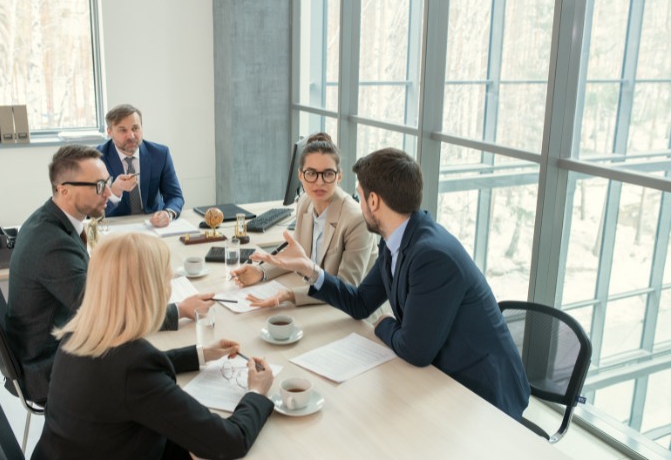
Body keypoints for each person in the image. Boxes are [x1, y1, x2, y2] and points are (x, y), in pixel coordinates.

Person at [251, 147, 531, 420]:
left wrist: (384, 324)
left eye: (359, 197)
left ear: (374, 202)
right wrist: (311, 270)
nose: (358, 205)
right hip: (440, 379)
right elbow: (361, 303)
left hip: (483, 395)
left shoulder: (432, 256)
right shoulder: (396, 237)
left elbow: (415, 350)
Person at [31, 233, 274, 460]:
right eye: (166, 280)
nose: (169, 289)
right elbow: (229, 442)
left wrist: (201, 354)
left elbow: (121, 371)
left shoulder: (77, 334)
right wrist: (256, 393)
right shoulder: (135, 369)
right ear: (148, 291)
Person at [6, 144, 212, 405]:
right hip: (48, 367)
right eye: (98, 186)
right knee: (147, 368)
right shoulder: (52, 243)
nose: (108, 192)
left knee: (145, 358)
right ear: (64, 190)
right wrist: (177, 311)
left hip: (53, 347)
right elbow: (102, 312)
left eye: (107, 182)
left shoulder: (51, 221)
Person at [231, 132, 377, 308]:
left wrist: (291, 295)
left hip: (350, 314)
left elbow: (346, 288)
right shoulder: (305, 202)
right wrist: (260, 271)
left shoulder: (356, 220)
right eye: (311, 173)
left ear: (339, 177)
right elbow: (297, 258)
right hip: (317, 301)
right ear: (300, 175)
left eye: (328, 174)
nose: (319, 182)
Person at [98, 104, 184, 227]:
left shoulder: (160, 154)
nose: (131, 136)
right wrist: (114, 192)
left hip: (152, 224)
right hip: (115, 226)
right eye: (123, 130)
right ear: (110, 132)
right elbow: (92, 211)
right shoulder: (97, 159)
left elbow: (175, 196)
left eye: (135, 128)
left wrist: (168, 213)